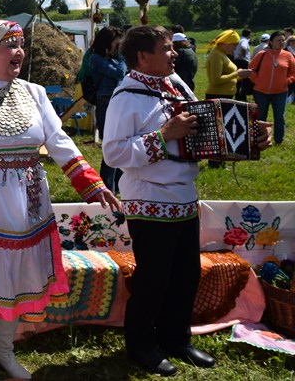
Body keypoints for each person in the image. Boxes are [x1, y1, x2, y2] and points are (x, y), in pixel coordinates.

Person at [0, 18, 122, 381]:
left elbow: (59, 142)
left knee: (13, 277)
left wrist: (92, 184)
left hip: (28, 204)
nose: (19, 52)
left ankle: (3, 351)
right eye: (9, 45)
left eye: (20, 44)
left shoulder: (35, 92)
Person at [102, 26, 271, 377]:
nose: (174, 53)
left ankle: (175, 338)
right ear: (143, 57)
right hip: (149, 200)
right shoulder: (126, 96)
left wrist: (251, 138)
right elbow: (114, 153)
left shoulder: (176, 84)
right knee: (154, 278)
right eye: (166, 49)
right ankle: (142, 345)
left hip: (183, 197)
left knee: (185, 275)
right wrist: (163, 136)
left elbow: (206, 133)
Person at [204, 29, 253, 167]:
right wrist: (236, 73)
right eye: (233, 45)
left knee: (224, 131)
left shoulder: (222, 55)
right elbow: (215, 80)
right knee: (217, 131)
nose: (235, 48)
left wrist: (241, 76)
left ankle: (221, 162)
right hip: (217, 96)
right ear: (225, 43)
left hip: (225, 96)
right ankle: (214, 163)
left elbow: (226, 79)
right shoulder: (216, 56)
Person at [89, 26, 128, 192]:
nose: (119, 45)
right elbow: (120, 73)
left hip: (117, 101)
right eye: (117, 42)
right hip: (106, 102)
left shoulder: (110, 58)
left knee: (121, 143)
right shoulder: (96, 58)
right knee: (111, 144)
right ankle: (107, 185)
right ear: (108, 41)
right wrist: (120, 55)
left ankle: (119, 184)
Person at [248, 30, 295, 145]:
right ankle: (258, 140)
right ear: (271, 42)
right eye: (278, 40)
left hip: (280, 92)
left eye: (283, 40)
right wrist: (257, 81)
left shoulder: (288, 55)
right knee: (260, 116)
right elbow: (251, 69)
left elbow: (293, 72)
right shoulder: (262, 54)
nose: (281, 42)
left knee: (279, 117)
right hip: (261, 91)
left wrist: (287, 81)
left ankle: (279, 140)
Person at [233, 29, 252, 100]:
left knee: (238, 79)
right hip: (243, 61)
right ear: (248, 35)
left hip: (237, 60)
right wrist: (243, 55)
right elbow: (243, 48)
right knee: (245, 79)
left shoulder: (239, 39)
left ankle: (237, 94)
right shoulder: (244, 41)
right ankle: (242, 95)